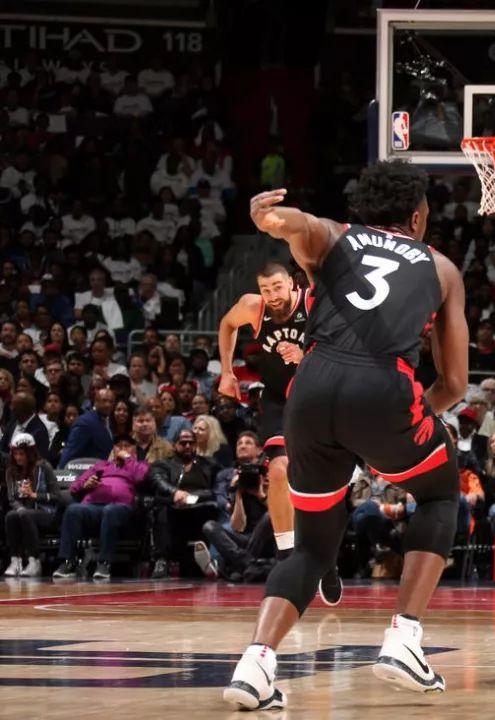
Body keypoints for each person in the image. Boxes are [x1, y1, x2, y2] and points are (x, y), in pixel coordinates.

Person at [225, 161, 468, 710]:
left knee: (313, 547)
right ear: (416, 216)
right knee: (439, 491)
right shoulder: (442, 269)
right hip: (383, 387)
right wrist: (402, 426)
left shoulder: (336, 235)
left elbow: (297, 224)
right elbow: (454, 383)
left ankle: (256, 663)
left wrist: (268, 219)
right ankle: (404, 639)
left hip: (310, 390)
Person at [217, 263, 314, 565]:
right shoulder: (253, 307)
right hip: (277, 399)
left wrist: (306, 355)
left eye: (277, 287)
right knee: (278, 470)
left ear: (292, 284)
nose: (272, 295)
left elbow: (343, 342)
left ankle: (320, 551)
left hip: (316, 397)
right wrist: (227, 371)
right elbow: (227, 324)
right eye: (265, 289)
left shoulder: (313, 302)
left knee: (315, 479)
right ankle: (287, 555)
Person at [52, 435, 148, 581]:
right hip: (93, 506)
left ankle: (104, 563)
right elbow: (74, 487)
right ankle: (68, 562)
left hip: (121, 508)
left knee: (110, 511)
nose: (122, 448)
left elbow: (141, 477)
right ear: (113, 450)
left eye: (127, 446)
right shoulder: (101, 465)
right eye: (119, 446)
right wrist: (85, 485)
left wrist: (128, 459)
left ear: (134, 450)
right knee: (73, 509)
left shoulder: (139, 465)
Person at [148, 428, 222, 578]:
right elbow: (158, 480)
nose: (187, 446)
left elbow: (216, 488)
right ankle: (162, 560)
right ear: (174, 445)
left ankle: (209, 560)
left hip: (200, 504)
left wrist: (192, 497)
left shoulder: (209, 464)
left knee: (212, 507)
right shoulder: (163, 464)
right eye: (183, 443)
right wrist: (175, 492)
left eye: (191, 443)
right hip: (173, 504)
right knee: (162, 510)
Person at [2, 433, 60, 577]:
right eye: (15, 454)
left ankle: (34, 561)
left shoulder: (44, 467)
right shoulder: (10, 471)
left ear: (30, 453)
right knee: (11, 515)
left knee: (25, 514)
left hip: (46, 512)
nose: (18, 458)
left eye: (22, 454)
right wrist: (20, 508)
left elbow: (56, 496)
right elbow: (12, 499)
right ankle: (15, 560)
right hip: (24, 512)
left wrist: (35, 495)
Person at [59, 388, 116, 467]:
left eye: (111, 402)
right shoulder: (85, 422)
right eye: (104, 401)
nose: (108, 405)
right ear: (96, 402)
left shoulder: (109, 422)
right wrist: (61, 472)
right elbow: (70, 451)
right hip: (87, 471)